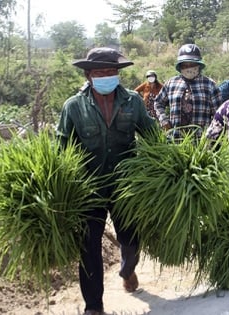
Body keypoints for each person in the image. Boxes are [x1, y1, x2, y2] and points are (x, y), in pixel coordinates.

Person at [56, 47, 158, 315]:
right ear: (89, 75)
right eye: (101, 72)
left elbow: (152, 136)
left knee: (132, 238)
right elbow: (60, 150)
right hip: (88, 188)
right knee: (88, 246)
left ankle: (127, 269)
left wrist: (171, 163)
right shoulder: (74, 107)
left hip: (126, 185)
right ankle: (94, 306)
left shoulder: (133, 102)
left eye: (112, 72)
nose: (107, 77)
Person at [154, 43, 223, 139]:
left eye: (192, 64)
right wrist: (164, 120)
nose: (189, 67)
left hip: (201, 143)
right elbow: (158, 103)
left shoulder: (210, 85)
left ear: (199, 65)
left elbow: (219, 115)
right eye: (185, 65)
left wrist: (212, 136)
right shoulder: (171, 83)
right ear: (180, 66)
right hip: (174, 141)